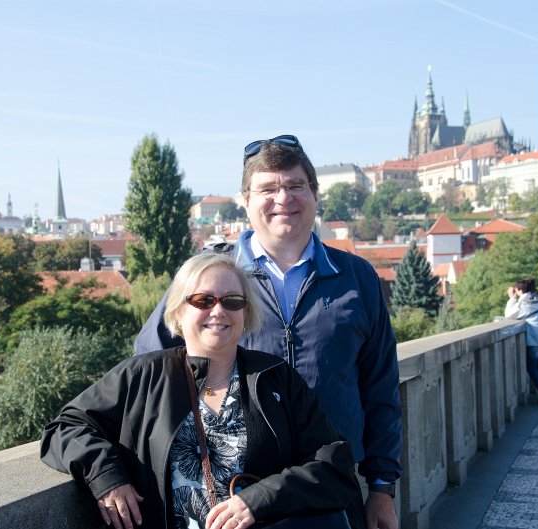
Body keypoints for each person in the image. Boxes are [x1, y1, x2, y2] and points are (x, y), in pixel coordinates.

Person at [135, 135, 402, 529]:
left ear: (315, 193)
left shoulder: (356, 277)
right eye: (268, 188)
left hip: (330, 488)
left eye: (295, 185)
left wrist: (382, 488)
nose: (283, 199)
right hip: (235, 496)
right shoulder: (211, 274)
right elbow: (149, 365)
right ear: (245, 200)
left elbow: (381, 387)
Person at [41, 253, 359, 529]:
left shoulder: (275, 379)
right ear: (179, 311)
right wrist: (106, 476)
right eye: (203, 300)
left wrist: (259, 499)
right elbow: (65, 428)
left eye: (232, 301)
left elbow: (333, 465)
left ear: (245, 314)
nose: (218, 311)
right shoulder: (141, 376)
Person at [504, 278, 538, 405]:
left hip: (536, 339)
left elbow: (509, 315)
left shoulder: (524, 303)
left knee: (532, 367)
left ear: (519, 290)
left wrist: (512, 298)